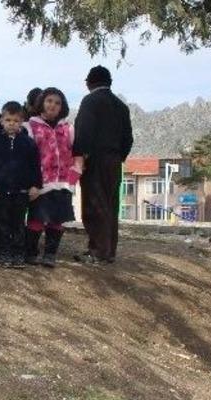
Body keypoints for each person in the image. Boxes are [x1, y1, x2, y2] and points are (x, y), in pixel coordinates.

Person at [73, 66, 133, 264]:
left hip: (95, 159)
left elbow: (84, 131)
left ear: (89, 82)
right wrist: (118, 157)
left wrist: (81, 156)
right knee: (110, 204)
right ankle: (109, 250)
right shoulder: (121, 106)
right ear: (109, 82)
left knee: (94, 203)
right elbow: (128, 139)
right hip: (114, 160)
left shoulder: (90, 101)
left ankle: (97, 251)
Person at [25, 88, 83, 267]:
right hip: (40, 184)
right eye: (49, 100)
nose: (53, 105)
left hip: (64, 183)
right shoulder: (30, 127)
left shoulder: (69, 129)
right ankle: (31, 253)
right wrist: (31, 183)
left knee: (57, 220)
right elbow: (25, 157)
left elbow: (78, 155)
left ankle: (50, 254)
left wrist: (72, 180)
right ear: (41, 102)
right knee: (36, 219)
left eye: (57, 103)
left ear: (62, 107)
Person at [0, 102, 40, 268]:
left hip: (21, 192)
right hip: (1, 191)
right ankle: (3, 251)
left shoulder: (29, 144)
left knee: (18, 223)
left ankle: (18, 253)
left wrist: (36, 185)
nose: (11, 123)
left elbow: (35, 166)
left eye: (15, 120)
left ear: (21, 121)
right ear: (1, 121)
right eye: (8, 120)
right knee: (2, 222)